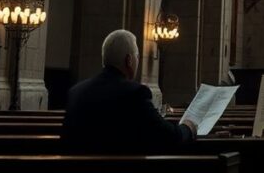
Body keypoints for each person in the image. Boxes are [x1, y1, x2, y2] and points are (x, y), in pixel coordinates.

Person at [62, 29, 197, 152]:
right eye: (137, 56)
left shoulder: (76, 92)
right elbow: (168, 137)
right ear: (129, 60)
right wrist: (187, 128)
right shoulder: (135, 93)